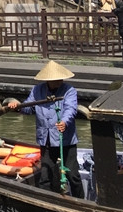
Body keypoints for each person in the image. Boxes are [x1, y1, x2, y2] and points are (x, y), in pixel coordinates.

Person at [7, 60, 85, 199]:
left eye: (60, 79)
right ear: (48, 80)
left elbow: (70, 109)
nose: (58, 81)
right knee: (45, 175)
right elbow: (29, 107)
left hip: (65, 139)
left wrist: (64, 122)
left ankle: (81, 202)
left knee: (73, 175)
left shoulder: (69, 91)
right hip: (46, 139)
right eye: (55, 80)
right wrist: (18, 106)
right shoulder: (38, 90)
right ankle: (46, 200)